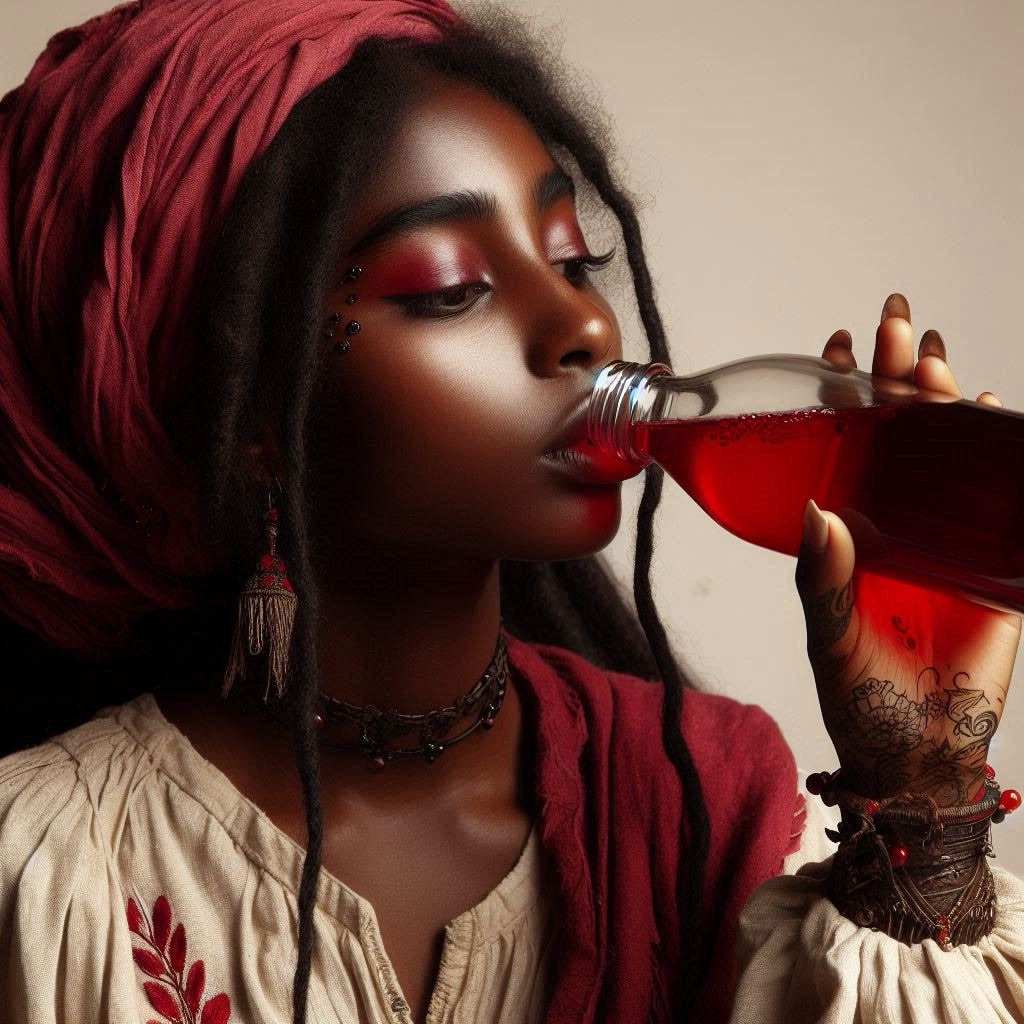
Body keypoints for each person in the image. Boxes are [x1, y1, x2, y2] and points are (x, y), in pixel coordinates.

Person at [0, 1, 1022, 1022]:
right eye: (451, 287)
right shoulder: (42, 871)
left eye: (571, 257)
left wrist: (924, 785)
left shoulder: (726, 812)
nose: (583, 320)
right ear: (249, 411)